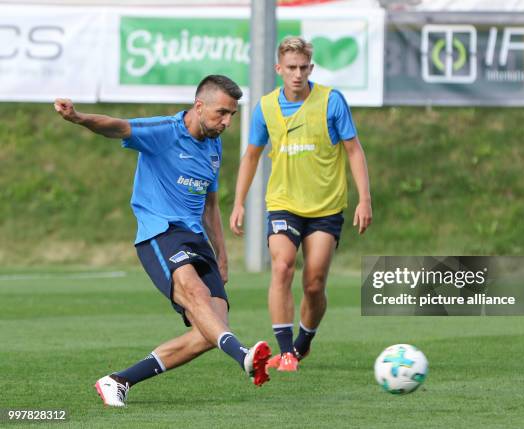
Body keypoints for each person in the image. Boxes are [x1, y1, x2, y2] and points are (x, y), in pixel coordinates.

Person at [54, 75, 271, 407]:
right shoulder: (164, 132)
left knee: (209, 331)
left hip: (197, 239)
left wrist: (222, 255)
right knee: (195, 295)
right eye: (221, 113)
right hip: (161, 232)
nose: (227, 122)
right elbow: (116, 126)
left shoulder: (214, 143)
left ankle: (118, 381)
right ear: (199, 106)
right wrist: (78, 117)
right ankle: (242, 355)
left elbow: (210, 205)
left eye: (232, 115)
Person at [229, 37, 372, 372]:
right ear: (279, 68)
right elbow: (251, 156)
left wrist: (364, 199)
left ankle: (302, 343)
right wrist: (238, 203)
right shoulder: (265, 107)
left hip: (325, 207)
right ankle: (285, 352)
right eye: (290, 68)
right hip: (283, 203)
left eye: (303, 68)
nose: (297, 74)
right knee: (282, 266)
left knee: (314, 282)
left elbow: (353, 150)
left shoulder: (331, 101)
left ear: (312, 68)